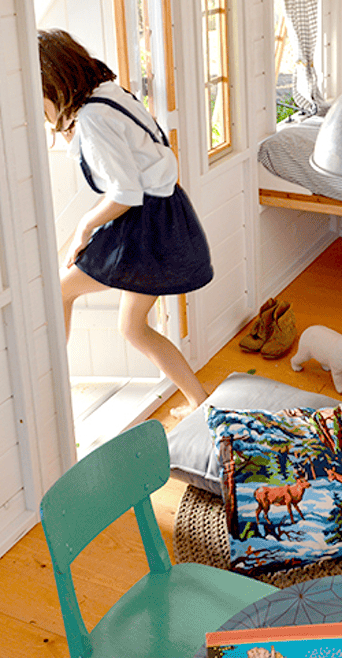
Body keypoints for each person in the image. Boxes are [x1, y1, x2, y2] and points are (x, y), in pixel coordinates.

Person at [38, 29, 212, 418]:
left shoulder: (93, 118)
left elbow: (125, 192)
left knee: (60, 293)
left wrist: (84, 227)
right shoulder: (109, 94)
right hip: (163, 216)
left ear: (53, 84)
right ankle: (201, 403)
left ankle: (50, 393)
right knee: (133, 328)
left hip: (144, 225)